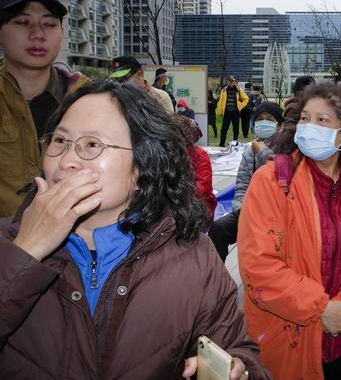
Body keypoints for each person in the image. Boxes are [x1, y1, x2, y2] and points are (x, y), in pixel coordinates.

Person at [0, 79, 269, 379]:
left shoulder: (194, 257)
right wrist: (24, 252)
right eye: (59, 141)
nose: (67, 160)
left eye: (92, 144)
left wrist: (238, 368)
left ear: (144, 164)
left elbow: (239, 351)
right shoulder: (8, 243)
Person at [238, 82, 341, 380]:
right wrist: (320, 308)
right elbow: (258, 265)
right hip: (288, 339)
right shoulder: (272, 181)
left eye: (322, 120)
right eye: (304, 118)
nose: (309, 127)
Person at [0, 0, 89, 217]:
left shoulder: (90, 100)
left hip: (76, 246)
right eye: (22, 22)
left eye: (49, 24)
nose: (38, 34)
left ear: (61, 33)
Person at [208, 101, 284, 261]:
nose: (264, 123)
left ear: (278, 124)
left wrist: (262, 152)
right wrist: (243, 210)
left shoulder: (286, 147)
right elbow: (242, 186)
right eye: (260, 119)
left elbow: (283, 174)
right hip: (251, 210)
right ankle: (217, 278)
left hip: (278, 212)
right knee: (219, 227)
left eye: (269, 119)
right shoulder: (250, 151)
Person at [175, 115, 217, 223]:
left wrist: (177, 192)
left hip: (196, 205)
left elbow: (203, 187)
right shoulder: (167, 154)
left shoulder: (200, 156)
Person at [108, 56, 173, 114]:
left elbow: (169, 124)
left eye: (125, 78)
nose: (121, 83)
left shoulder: (161, 97)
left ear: (139, 74)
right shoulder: (115, 98)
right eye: (118, 80)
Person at [216, 75, 249, 147]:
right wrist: (221, 111)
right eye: (230, 81)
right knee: (224, 129)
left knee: (236, 129)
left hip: (235, 112)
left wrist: (241, 106)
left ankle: (235, 144)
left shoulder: (239, 90)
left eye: (232, 81)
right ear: (227, 81)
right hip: (227, 112)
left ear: (234, 82)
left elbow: (246, 99)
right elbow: (221, 101)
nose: (231, 83)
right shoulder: (224, 90)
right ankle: (221, 144)